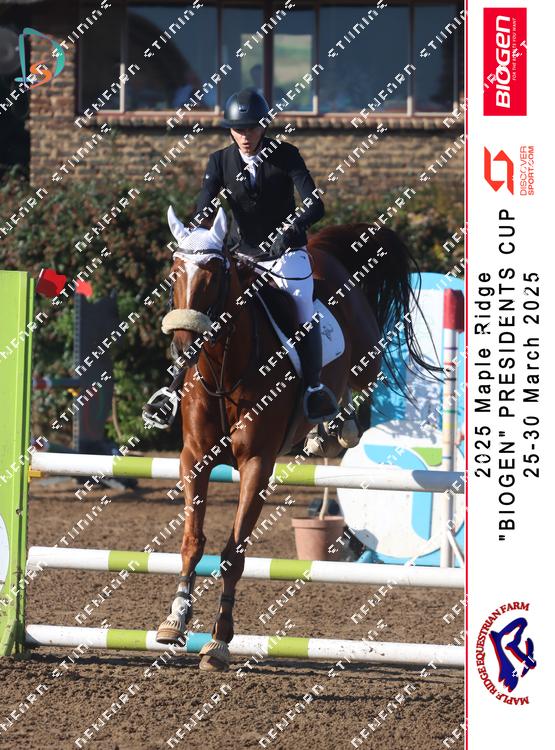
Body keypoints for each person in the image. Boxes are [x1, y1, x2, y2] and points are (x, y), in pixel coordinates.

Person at [194, 88, 339, 424]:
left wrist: (291, 230)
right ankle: (178, 386)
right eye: (238, 130)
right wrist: (197, 226)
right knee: (203, 300)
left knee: (302, 306)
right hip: (242, 256)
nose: (245, 136)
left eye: (251, 128)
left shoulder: (286, 155)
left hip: (285, 254)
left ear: (263, 127)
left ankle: (314, 388)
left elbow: (315, 204)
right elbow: (204, 203)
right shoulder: (219, 161)